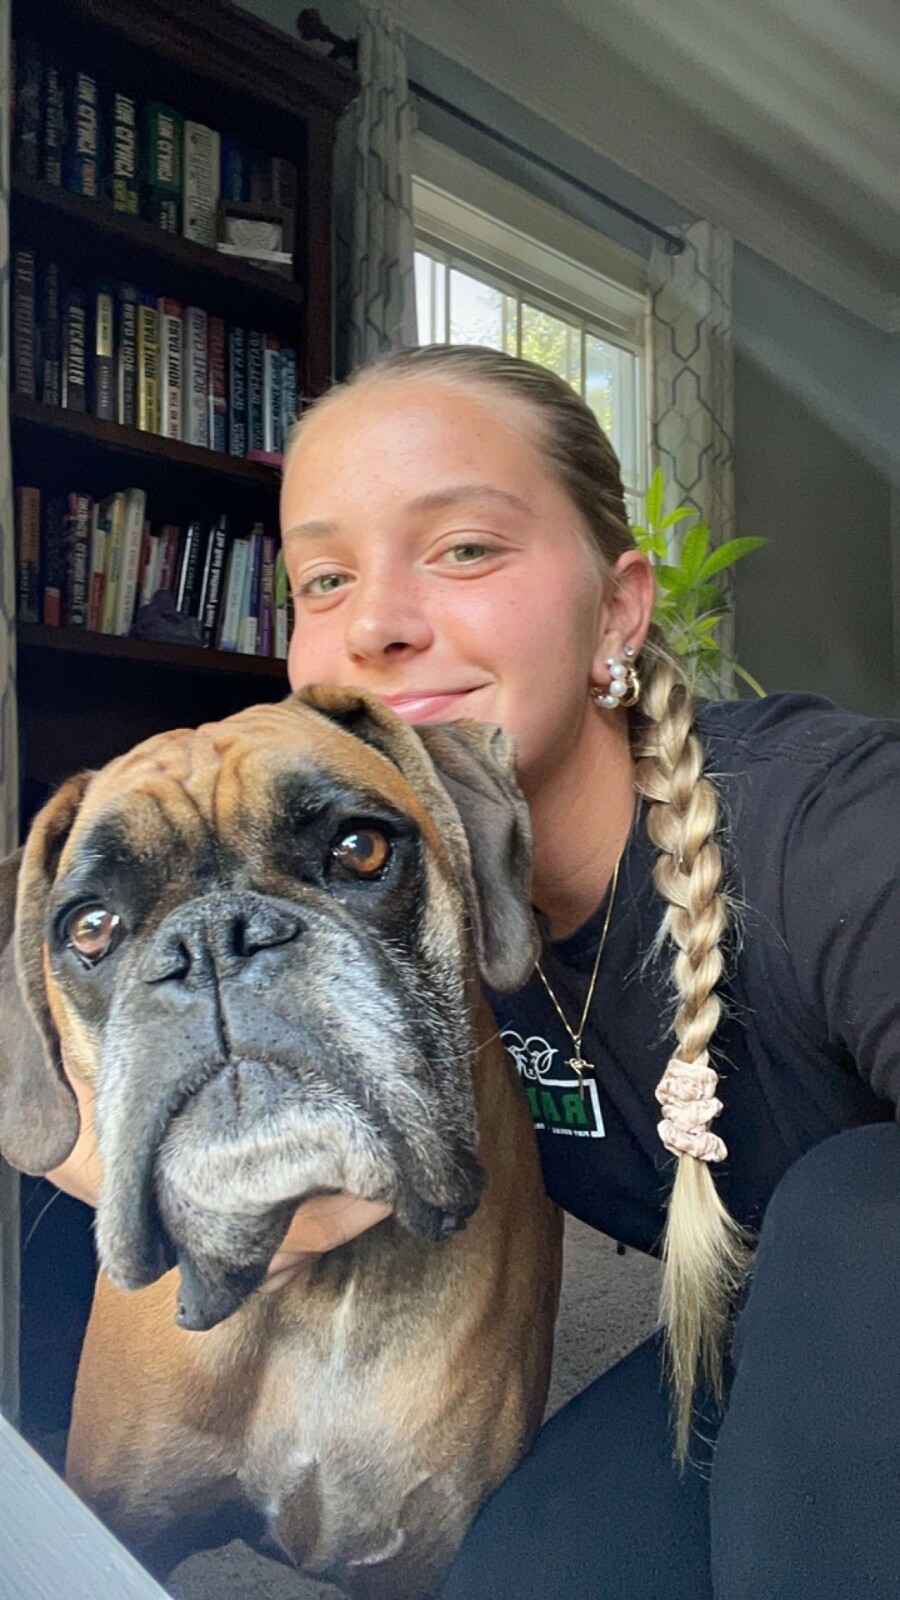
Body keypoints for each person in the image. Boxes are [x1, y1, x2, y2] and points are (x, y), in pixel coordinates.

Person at [50, 345, 900, 1598]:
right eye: (326, 578)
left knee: (857, 1205)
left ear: (617, 610)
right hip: (746, 1322)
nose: (378, 624)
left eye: (462, 548)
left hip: (866, 1273)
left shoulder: (831, 828)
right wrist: (111, 1149)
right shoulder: (379, 904)